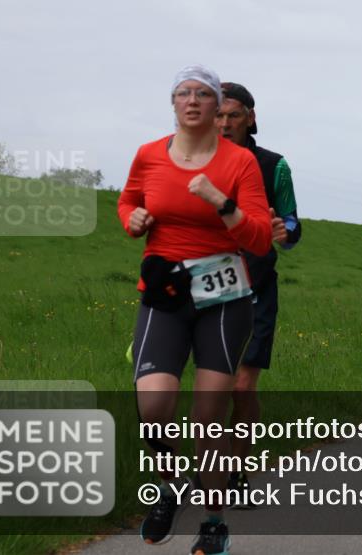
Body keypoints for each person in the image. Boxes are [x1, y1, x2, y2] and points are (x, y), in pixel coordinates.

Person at [118, 65, 273, 555]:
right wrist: (133, 220)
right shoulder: (148, 155)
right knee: (154, 409)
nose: (192, 101)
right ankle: (169, 486)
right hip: (165, 292)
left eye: (202, 94)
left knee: (208, 418)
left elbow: (260, 238)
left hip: (223, 297)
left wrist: (221, 202)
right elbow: (126, 203)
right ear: (173, 103)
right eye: (183, 93)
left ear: (216, 106)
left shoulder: (240, 163)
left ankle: (212, 521)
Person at [216, 82, 302, 506]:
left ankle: (236, 474)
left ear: (250, 116)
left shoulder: (274, 166)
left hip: (257, 286)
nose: (225, 123)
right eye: (219, 115)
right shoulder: (194, 160)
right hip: (205, 286)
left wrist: (286, 231)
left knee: (242, 386)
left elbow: (291, 224)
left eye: (234, 114)